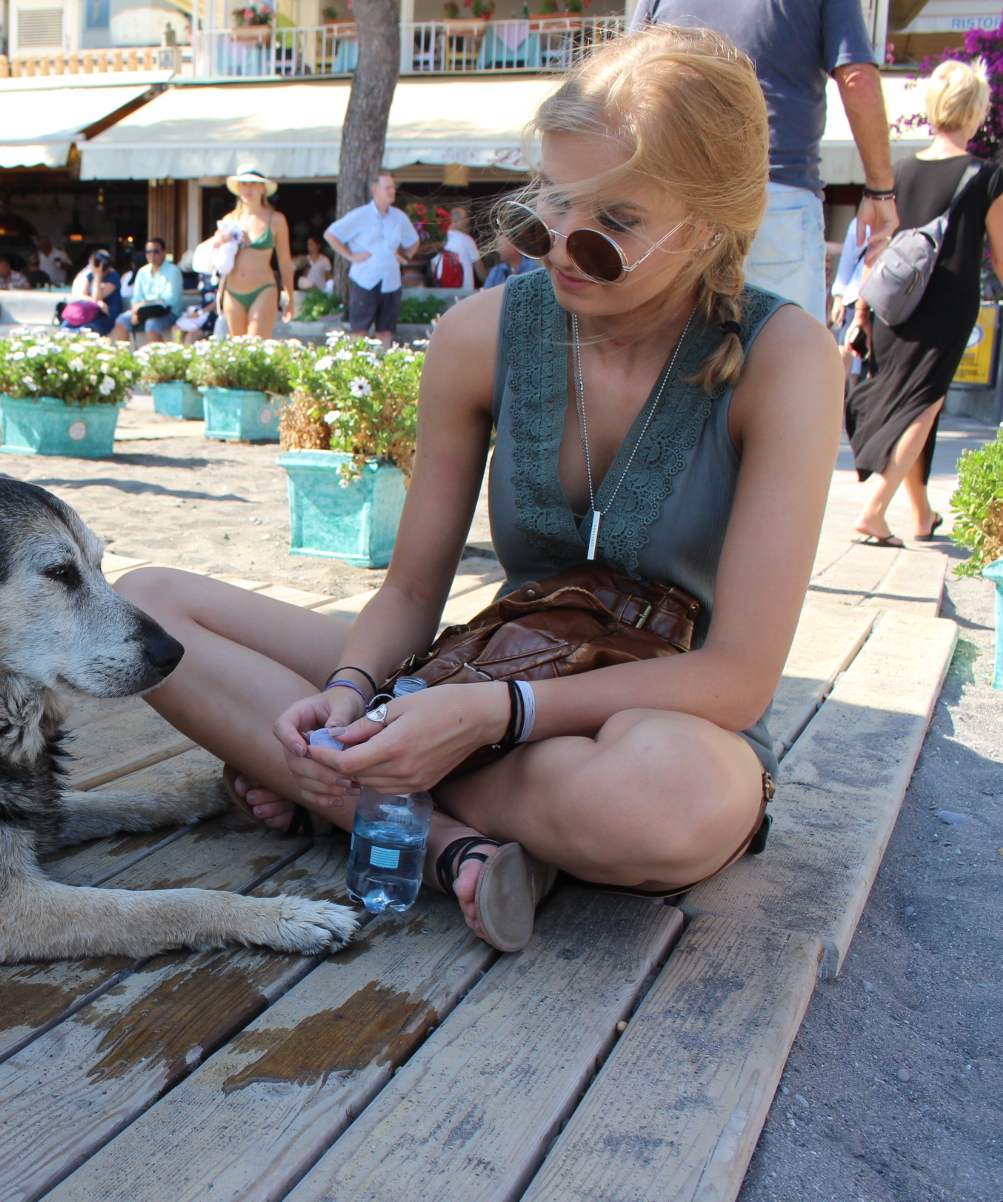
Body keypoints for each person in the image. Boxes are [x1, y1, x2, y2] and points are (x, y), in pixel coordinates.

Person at [114, 26, 841, 949]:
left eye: (614, 224)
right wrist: (350, 688)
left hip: (658, 717)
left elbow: (737, 680)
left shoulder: (784, 360)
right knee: (145, 609)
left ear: (705, 227)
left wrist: (480, 718)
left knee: (673, 801)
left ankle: (352, 791)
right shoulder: (480, 333)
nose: (562, 248)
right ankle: (450, 839)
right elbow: (415, 589)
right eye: (548, 205)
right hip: (482, 667)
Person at [846, 60, 1003, 548]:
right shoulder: (984, 176)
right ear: (974, 112)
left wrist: (860, 311)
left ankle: (922, 514)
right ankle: (874, 511)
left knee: (911, 401)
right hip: (946, 304)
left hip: (893, 305)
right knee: (922, 403)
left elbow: (875, 248)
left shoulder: (899, 172)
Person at [633, 0, 899, 319]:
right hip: (775, 194)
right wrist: (880, 189)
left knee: (677, 358)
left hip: (674, 194)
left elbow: (629, 77)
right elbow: (856, 77)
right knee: (791, 357)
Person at [326, 171, 419, 346]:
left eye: (393, 187)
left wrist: (405, 257)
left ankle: (383, 368)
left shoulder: (399, 217)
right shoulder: (360, 215)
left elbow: (413, 241)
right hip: (365, 279)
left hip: (391, 281)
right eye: (388, 188)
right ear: (375, 190)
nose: (392, 191)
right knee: (359, 330)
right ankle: (354, 365)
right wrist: (350, 256)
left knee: (386, 330)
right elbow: (330, 234)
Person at [209, 167, 295, 339]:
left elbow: (285, 262)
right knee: (239, 351)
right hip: (232, 291)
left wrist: (290, 298)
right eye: (243, 185)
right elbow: (216, 258)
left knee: (255, 347)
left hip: (263, 289)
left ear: (263, 188)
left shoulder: (276, 219)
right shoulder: (229, 220)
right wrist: (218, 243)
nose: (247, 189)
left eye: (253, 184)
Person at [113, 237, 185, 344]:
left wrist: (144, 306)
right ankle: (123, 357)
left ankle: (156, 359)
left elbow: (170, 301)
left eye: (156, 251)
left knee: (152, 323)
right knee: (121, 321)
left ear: (164, 252)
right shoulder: (142, 271)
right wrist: (136, 312)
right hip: (143, 311)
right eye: (148, 252)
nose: (152, 255)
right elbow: (136, 298)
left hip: (168, 313)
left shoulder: (173, 270)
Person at [62, 249, 121, 336]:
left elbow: (97, 296)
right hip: (88, 313)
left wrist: (97, 276)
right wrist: (96, 302)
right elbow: (79, 294)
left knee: (84, 331)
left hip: (104, 316)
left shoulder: (113, 276)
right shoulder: (90, 275)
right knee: (65, 326)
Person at [439, 205, 484, 290]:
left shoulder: (441, 239)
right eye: (465, 218)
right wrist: (489, 283)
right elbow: (479, 267)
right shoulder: (466, 239)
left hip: (443, 290)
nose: (468, 221)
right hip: (464, 291)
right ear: (456, 221)